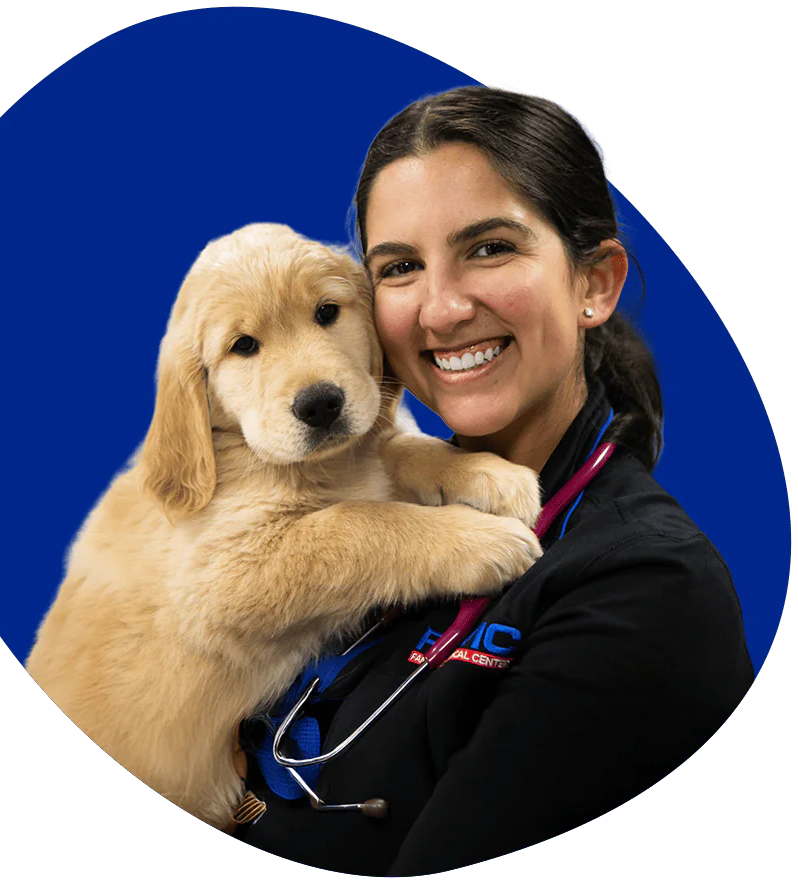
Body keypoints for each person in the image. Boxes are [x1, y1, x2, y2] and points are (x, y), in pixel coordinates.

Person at [235, 85, 753, 876]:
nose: (440, 311)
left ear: (594, 284)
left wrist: (214, 804)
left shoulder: (649, 590)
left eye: (489, 248)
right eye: (401, 267)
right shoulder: (369, 514)